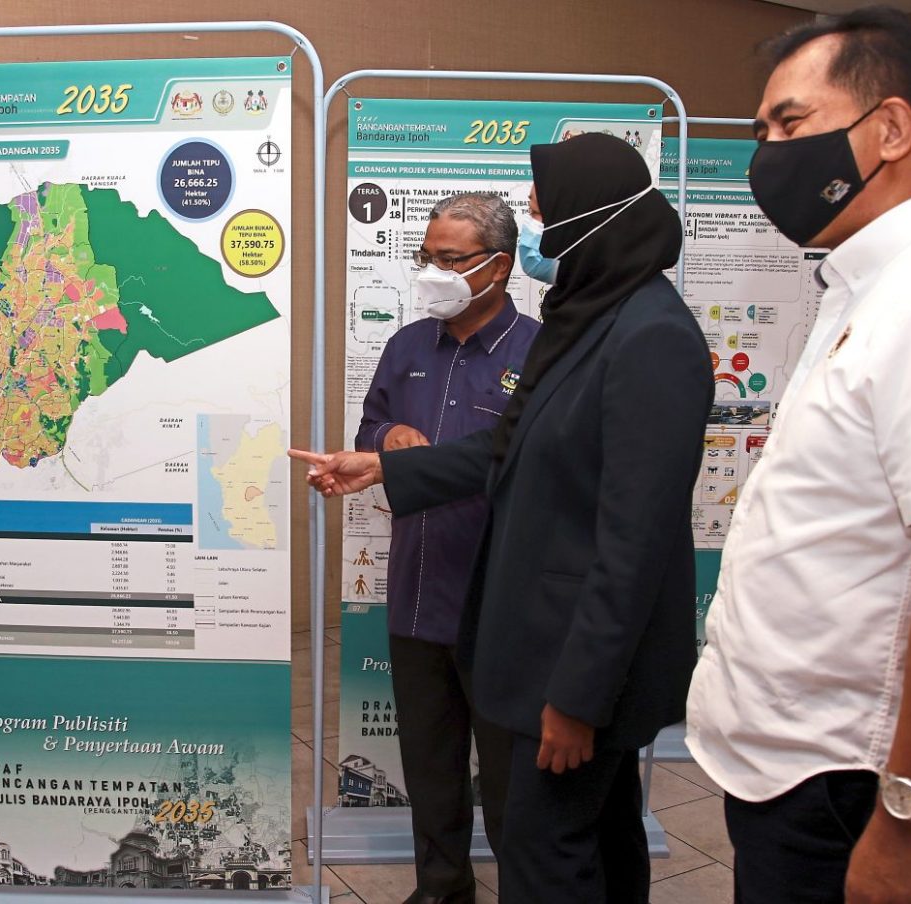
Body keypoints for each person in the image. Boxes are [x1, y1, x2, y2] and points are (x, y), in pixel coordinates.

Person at [294, 132, 714, 903]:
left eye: (543, 215)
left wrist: (579, 698)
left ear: (591, 221)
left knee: (545, 849)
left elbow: (633, 543)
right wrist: (385, 461)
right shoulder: (590, 322)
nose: (537, 232)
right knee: (593, 839)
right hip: (516, 625)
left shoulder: (650, 337)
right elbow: (503, 446)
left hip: (569, 655)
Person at [685, 7, 911, 904]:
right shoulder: (863, 286)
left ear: (892, 128)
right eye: (762, 131)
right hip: (788, 764)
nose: (768, 152)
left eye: (790, 124)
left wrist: (908, 827)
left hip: (850, 782)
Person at [355, 192, 539, 904]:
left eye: (451, 259)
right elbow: (372, 424)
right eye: (426, 257)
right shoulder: (406, 348)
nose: (434, 271)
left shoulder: (540, 352)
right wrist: (386, 440)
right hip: (416, 595)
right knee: (429, 769)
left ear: (498, 265)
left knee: (508, 780)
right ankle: (441, 891)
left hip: (498, 609)